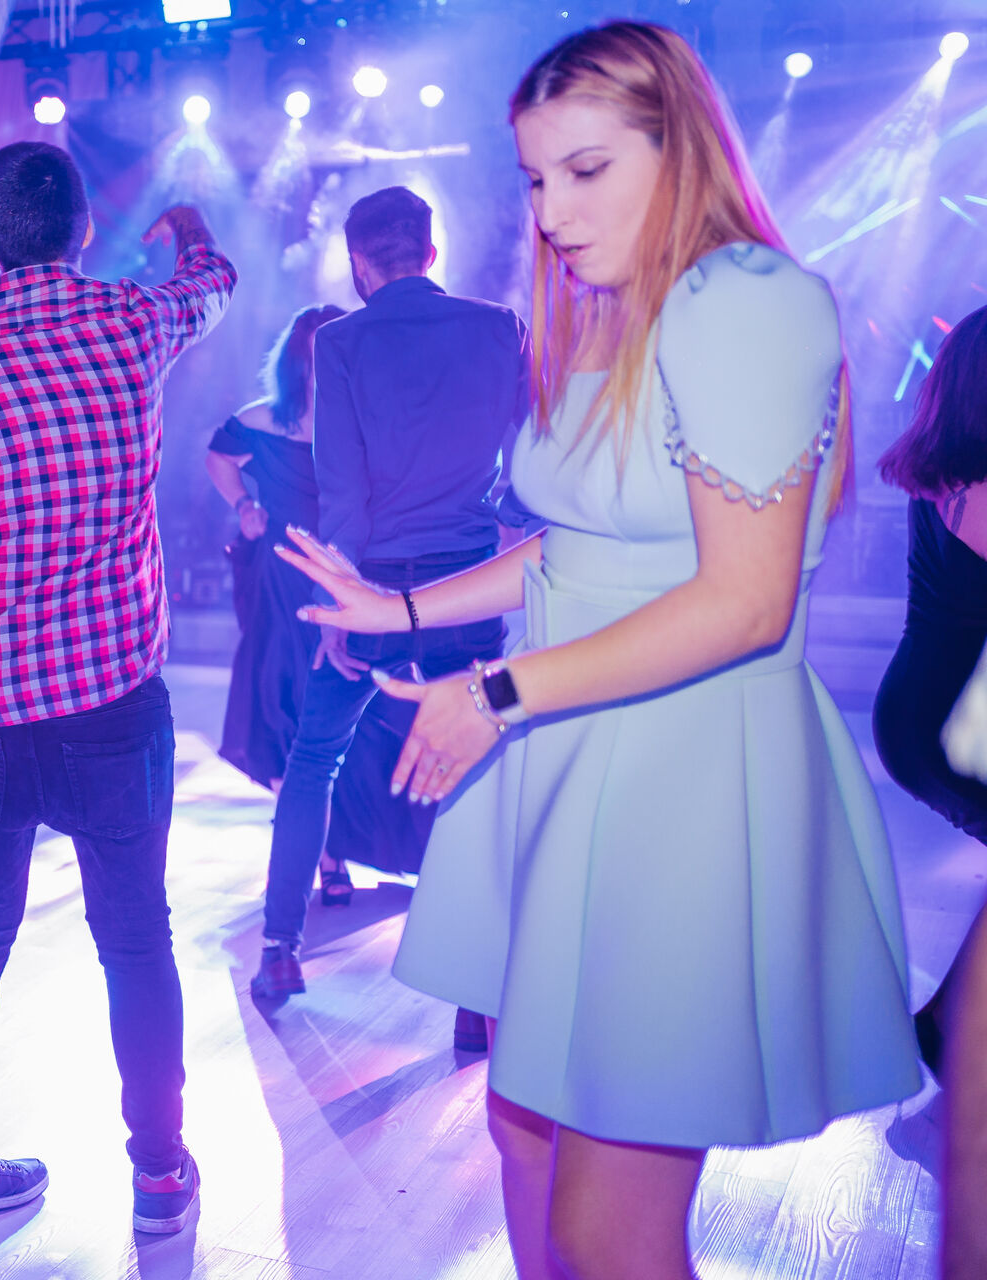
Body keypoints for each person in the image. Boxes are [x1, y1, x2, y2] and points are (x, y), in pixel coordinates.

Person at [277, 22, 920, 1280]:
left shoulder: (747, 300)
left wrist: (496, 690)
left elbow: (746, 602)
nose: (551, 212)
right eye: (534, 178)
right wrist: (396, 607)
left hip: (677, 770)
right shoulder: (618, 307)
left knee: (605, 1231)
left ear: (681, 150)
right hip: (569, 749)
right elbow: (575, 542)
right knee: (522, 1140)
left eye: (586, 170)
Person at [0, 142, 236, 1238]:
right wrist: (188, 229)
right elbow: (213, 284)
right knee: (134, 938)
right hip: (109, 699)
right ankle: (159, 1174)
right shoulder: (130, 322)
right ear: (85, 230)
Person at [251, 186, 529, 1018]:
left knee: (314, 760)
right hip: (468, 591)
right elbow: (526, 460)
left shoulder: (340, 341)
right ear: (432, 253)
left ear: (359, 264)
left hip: (372, 589)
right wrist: (506, 533)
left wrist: (339, 605)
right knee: (480, 767)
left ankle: (280, 951)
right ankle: (476, 1000)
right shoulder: (500, 328)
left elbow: (342, 489)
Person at [207, 305, 369, 902]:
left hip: (350, 572)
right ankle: (321, 851)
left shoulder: (362, 417)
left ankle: (321, 835)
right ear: (297, 361)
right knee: (281, 699)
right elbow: (218, 456)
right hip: (281, 577)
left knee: (345, 704)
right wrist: (244, 506)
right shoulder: (264, 421)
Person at [873, 303, 987, 1078]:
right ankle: (946, 1030)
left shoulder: (950, 473)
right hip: (944, 722)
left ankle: (944, 1027)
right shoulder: (975, 489)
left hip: (931, 711)